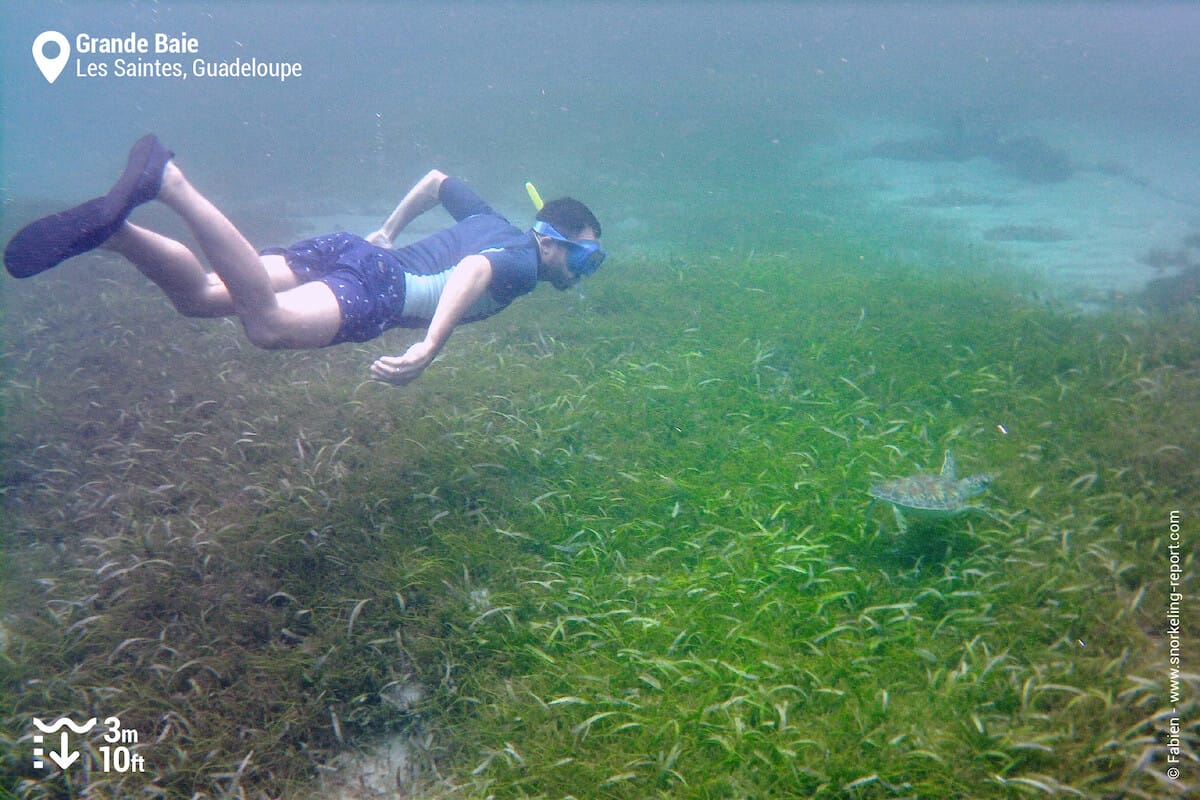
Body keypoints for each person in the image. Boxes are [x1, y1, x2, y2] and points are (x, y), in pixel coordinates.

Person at [3, 134, 605, 385]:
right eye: (584, 257)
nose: (581, 272)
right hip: (382, 290)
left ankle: (113, 233)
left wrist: (387, 231)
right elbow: (475, 272)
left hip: (356, 253)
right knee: (267, 326)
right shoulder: (525, 262)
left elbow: (436, 178)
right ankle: (168, 180)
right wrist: (429, 348)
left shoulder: (490, 221)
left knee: (203, 297)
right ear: (550, 239)